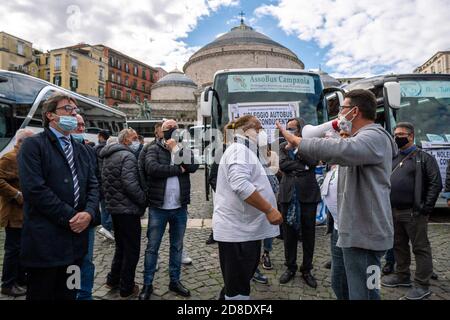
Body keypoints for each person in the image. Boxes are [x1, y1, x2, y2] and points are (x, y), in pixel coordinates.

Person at [277, 89, 397, 300]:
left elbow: (340, 151)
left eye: (342, 110)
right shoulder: (356, 137)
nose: (338, 116)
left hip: (365, 235)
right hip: (345, 230)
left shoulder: (374, 137)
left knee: (365, 293)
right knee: (340, 284)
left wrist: (297, 141)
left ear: (354, 111)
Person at [18, 92, 99, 300]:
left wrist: (89, 214)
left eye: (75, 110)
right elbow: (34, 189)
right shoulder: (33, 145)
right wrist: (72, 217)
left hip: (76, 244)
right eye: (67, 109)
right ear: (50, 115)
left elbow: (93, 185)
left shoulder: (83, 150)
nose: (73, 114)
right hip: (46, 242)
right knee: (43, 294)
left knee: (69, 293)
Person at [213, 115, 283, 300]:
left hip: (245, 230)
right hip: (238, 232)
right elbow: (240, 185)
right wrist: (269, 209)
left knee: (238, 281)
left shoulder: (247, 150)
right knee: (237, 287)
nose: (262, 132)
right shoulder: (238, 150)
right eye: (258, 128)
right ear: (245, 130)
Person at [381, 122, 442, 300]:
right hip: (394, 211)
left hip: (414, 212)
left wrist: (425, 207)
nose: (397, 137)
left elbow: (435, 183)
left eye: (401, 134)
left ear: (411, 136)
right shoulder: (393, 157)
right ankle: (402, 276)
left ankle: (422, 285)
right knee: (398, 245)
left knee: (420, 248)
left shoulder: (423, 157)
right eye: (395, 134)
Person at [139, 119, 199, 300]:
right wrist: (178, 170)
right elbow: (152, 169)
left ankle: (175, 281)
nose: (172, 130)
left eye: (174, 128)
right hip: (158, 207)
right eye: (168, 128)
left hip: (179, 207)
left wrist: (175, 149)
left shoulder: (182, 149)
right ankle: (147, 284)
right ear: (160, 132)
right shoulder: (152, 149)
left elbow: (194, 167)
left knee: (177, 246)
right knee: (152, 247)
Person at [100, 128, 146, 299]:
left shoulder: (110, 155)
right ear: (126, 140)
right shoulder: (127, 156)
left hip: (114, 208)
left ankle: (113, 279)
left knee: (121, 247)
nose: (137, 141)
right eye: (134, 138)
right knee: (131, 250)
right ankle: (126, 287)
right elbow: (130, 184)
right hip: (128, 209)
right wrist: (143, 199)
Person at [278, 118, 321, 289]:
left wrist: (297, 147)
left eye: (293, 129)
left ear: (300, 130)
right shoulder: (282, 146)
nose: (289, 131)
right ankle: (290, 267)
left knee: (309, 234)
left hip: (308, 195)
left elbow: (313, 162)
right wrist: (302, 167)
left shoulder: (309, 144)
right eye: (288, 128)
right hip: (288, 194)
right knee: (289, 234)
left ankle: (307, 269)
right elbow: (283, 165)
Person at [0, 129, 34, 297]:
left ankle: (20, 280)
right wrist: (17, 194)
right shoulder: (9, 158)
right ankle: (7, 284)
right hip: (13, 213)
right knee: (13, 250)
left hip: (24, 214)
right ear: (21, 142)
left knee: (22, 249)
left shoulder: (23, 158)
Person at [73, 115, 100, 301]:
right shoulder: (43, 148)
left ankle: (84, 295)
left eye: (83, 125)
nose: (82, 128)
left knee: (86, 260)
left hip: (86, 216)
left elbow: (95, 182)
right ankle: (70, 293)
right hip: (65, 217)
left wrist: (89, 212)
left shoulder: (89, 150)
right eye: (78, 125)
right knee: (69, 261)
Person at [94, 129, 115, 241]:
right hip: (106, 182)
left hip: (99, 182)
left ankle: (105, 227)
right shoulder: (105, 149)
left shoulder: (95, 149)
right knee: (110, 207)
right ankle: (106, 228)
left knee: (104, 207)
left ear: (101, 137)